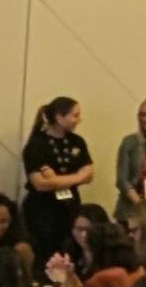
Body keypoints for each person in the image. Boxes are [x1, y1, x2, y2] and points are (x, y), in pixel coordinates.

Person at [19, 98, 92, 264]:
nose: (79, 120)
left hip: (70, 205)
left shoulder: (77, 142)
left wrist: (56, 179)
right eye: (75, 115)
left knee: (71, 251)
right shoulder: (36, 145)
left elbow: (88, 174)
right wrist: (75, 178)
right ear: (60, 117)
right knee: (45, 252)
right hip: (43, 210)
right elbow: (40, 184)